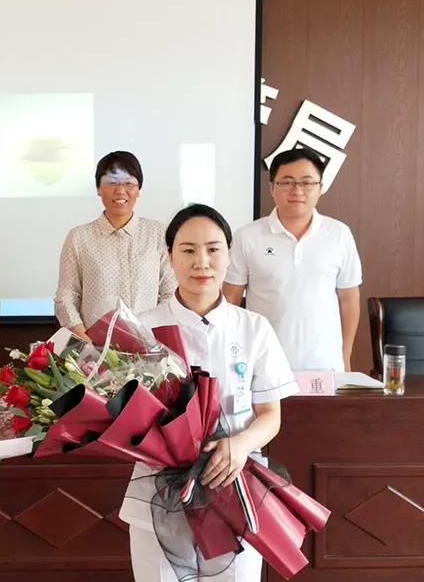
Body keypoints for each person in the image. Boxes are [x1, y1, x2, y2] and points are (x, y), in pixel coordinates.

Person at [119, 204, 299, 581]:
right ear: (170, 257)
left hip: (234, 486)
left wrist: (240, 444)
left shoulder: (254, 328)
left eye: (213, 249)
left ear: (228, 255)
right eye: (188, 250)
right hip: (159, 491)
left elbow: (271, 415)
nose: (201, 261)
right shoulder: (142, 330)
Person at [223, 148, 361, 372]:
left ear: (320, 188)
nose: (297, 191)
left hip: (325, 364)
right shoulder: (247, 236)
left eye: (307, 183)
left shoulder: (339, 234)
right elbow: (231, 300)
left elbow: (349, 299)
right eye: (286, 182)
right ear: (272, 188)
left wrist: (345, 355)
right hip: (264, 363)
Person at [55, 151, 176, 340]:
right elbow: (66, 298)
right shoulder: (79, 237)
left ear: (139, 189)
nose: (120, 191)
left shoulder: (158, 233)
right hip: (94, 347)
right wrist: (88, 341)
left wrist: (151, 339)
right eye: (112, 183)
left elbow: (171, 292)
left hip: (149, 345)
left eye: (129, 183)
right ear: (98, 188)